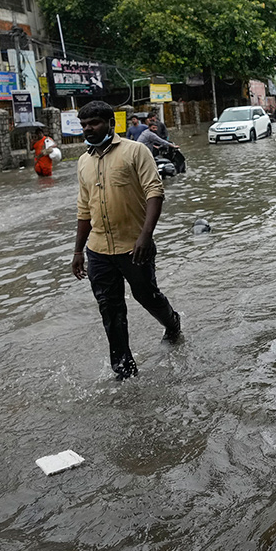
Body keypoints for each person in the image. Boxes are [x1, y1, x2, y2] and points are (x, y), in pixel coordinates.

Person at [72, 100, 182, 380]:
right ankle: (124, 372)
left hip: (134, 245)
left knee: (147, 296)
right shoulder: (83, 162)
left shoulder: (135, 151)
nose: (88, 129)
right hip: (98, 250)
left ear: (111, 123)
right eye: (84, 125)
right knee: (110, 311)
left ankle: (172, 322)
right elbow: (84, 210)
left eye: (94, 123)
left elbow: (154, 192)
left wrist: (146, 236)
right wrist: (77, 252)